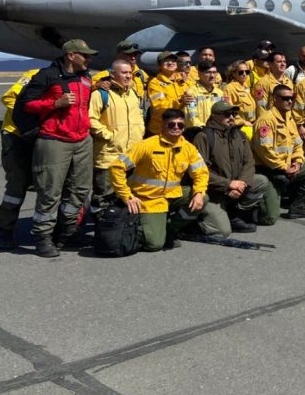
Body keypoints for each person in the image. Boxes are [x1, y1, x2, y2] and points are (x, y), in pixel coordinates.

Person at [16, 39, 97, 257]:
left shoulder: (86, 78)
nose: (89, 59)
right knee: (50, 192)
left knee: (80, 189)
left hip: (81, 140)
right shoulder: (47, 76)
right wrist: (55, 104)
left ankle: (67, 232)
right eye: (85, 55)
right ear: (71, 55)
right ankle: (43, 236)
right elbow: (26, 104)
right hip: (54, 140)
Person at [110, 109, 209, 251]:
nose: (176, 128)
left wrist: (199, 192)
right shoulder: (146, 145)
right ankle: (138, 224)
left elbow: (201, 173)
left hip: (172, 195)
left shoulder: (188, 148)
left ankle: (170, 228)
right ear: (163, 125)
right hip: (148, 199)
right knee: (154, 244)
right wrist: (126, 196)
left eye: (180, 125)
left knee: (203, 198)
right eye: (171, 124)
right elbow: (116, 167)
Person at [192, 101, 272, 233]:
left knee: (261, 181)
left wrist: (242, 183)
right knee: (222, 231)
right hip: (213, 192)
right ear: (214, 116)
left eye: (234, 114)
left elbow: (249, 162)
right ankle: (194, 222)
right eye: (227, 114)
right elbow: (200, 171)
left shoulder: (240, 135)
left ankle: (235, 214)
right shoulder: (204, 136)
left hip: (236, 186)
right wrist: (228, 184)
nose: (232, 117)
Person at [250, 85, 305, 219]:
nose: (289, 101)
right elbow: (264, 150)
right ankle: (253, 207)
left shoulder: (289, 117)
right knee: (270, 218)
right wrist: (284, 167)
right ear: (274, 99)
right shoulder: (266, 120)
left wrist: (298, 162)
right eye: (285, 98)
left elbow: (298, 144)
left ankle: (297, 206)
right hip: (268, 169)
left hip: (287, 166)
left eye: (291, 98)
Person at [88, 59, 145, 213]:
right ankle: (101, 230)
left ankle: (119, 231)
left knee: (126, 196)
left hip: (130, 157)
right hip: (109, 156)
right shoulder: (101, 94)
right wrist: (108, 135)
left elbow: (138, 115)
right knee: (104, 198)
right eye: (124, 73)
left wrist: (140, 132)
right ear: (113, 75)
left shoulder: (132, 93)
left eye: (129, 73)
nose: (128, 76)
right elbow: (91, 119)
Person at [0, 68, 40, 250]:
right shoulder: (35, 74)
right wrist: (29, 119)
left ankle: (44, 231)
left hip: (41, 136)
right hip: (17, 135)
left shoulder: (77, 79)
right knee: (16, 184)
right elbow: (9, 97)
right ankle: (5, 229)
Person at [146, 51, 190, 136]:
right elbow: (159, 105)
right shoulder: (155, 83)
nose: (170, 63)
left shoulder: (184, 81)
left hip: (180, 128)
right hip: (160, 130)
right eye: (166, 61)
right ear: (159, 65)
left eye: (173, 61)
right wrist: (180, 102)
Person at [92, 40, 148, 105]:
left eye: (135, 55)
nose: (133, 58)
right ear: (119, 55)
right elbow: (88, 88)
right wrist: (96, 86)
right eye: (129, 54)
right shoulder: (105, 75)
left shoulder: (141, 74)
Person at [184, 60, 225, 128]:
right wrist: (206, 129)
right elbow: (191, 117)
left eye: (214, 72)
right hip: (198, 132)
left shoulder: (219, 93)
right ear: (199, 74)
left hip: (218, 132)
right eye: (208, 72)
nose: (212, 75)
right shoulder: (191, 92)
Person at [224, 60, 258, 131]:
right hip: (240, 127)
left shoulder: (247, 87)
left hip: (251, 123)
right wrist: (242, 122)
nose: (244, 74)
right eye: (241, 72)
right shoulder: (229, 88)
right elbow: (228, 109)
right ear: (234, 74)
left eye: (247, 72)